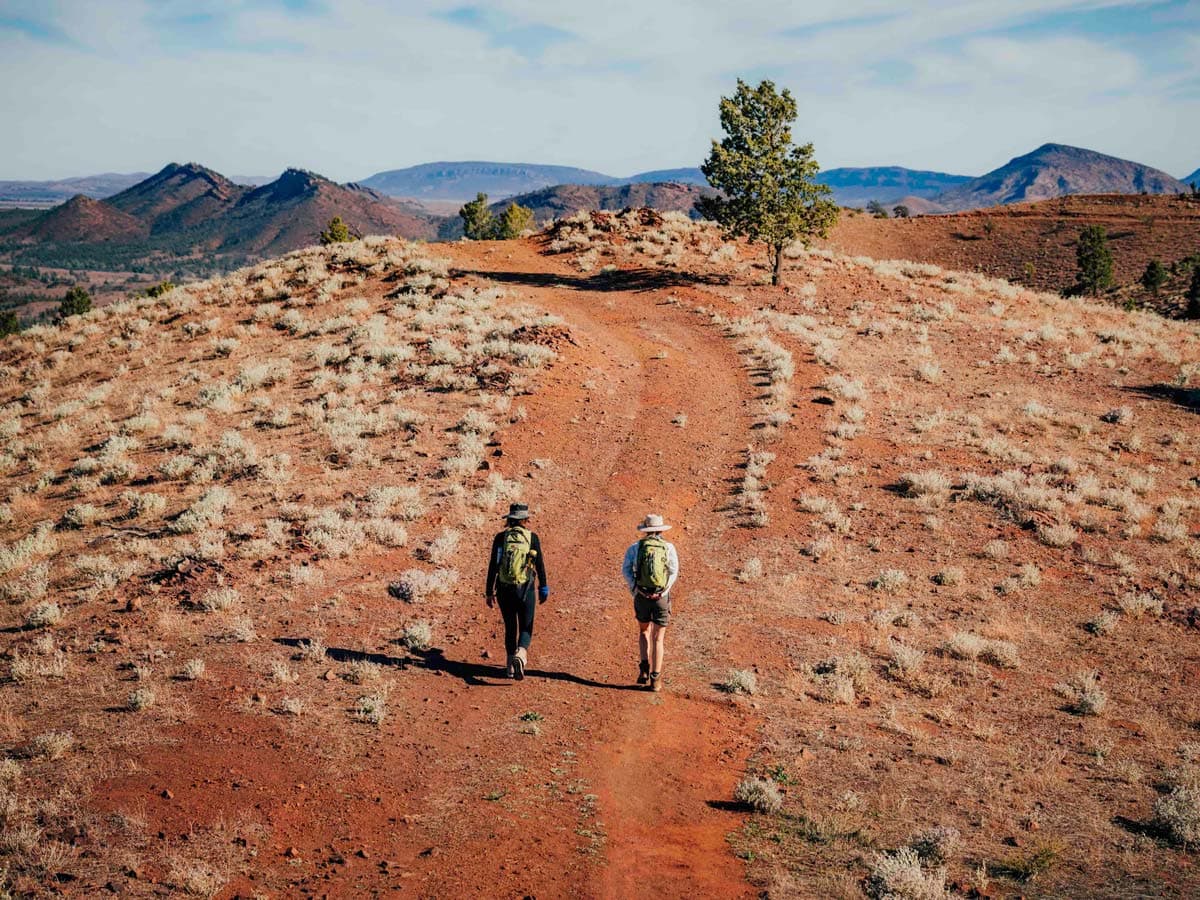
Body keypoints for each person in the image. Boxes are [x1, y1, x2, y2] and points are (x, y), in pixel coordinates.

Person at [485, 503, 549, 680]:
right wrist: (543, 586)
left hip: (504, 590)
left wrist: (489, 591)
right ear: (525, 519)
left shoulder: (500, 538)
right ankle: (521, 655)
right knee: (526, 627)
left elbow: (494, 565)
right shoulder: (532, 537)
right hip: (525, 589)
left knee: (510, 626)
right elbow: (540, 565)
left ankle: (510, 667)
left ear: (509, 519)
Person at [622, 514, 679, 692]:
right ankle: (656, 679)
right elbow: (673, 572)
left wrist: (635, 589)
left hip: (641, 596)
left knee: (643, 631)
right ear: (661, 530)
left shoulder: (635, 548)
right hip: (661, 597)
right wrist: (663, 591)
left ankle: (644, 669)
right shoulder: (668, 547)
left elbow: (625, 570)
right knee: (658, 638)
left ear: (645, 530)